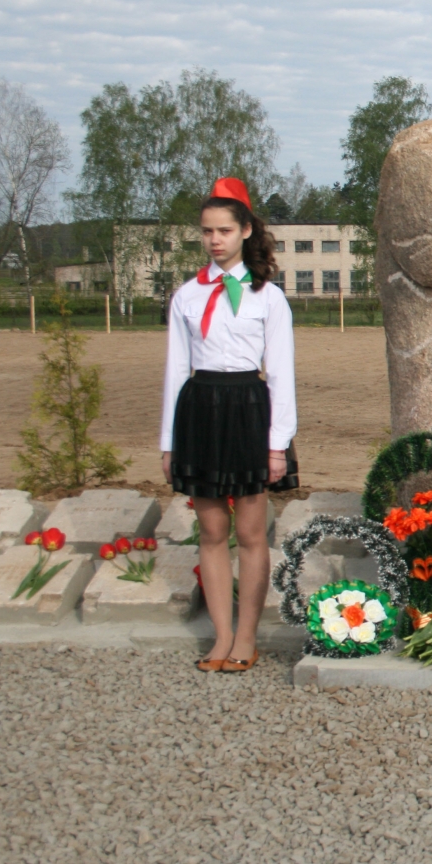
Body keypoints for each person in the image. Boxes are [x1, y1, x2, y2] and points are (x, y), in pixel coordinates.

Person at [160, 178, 296, 673]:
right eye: (207, 231)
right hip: (199, 410)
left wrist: (277, 445)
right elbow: (176, 369)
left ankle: (246, 637)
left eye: (224, 230)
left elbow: (281, 374)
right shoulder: (186, 295)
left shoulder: (268, 298)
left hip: (248, 412)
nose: (214, 240)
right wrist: (169, 441)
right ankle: (220, 637)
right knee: (212, 531)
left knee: (251, 532)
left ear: (245, 231)